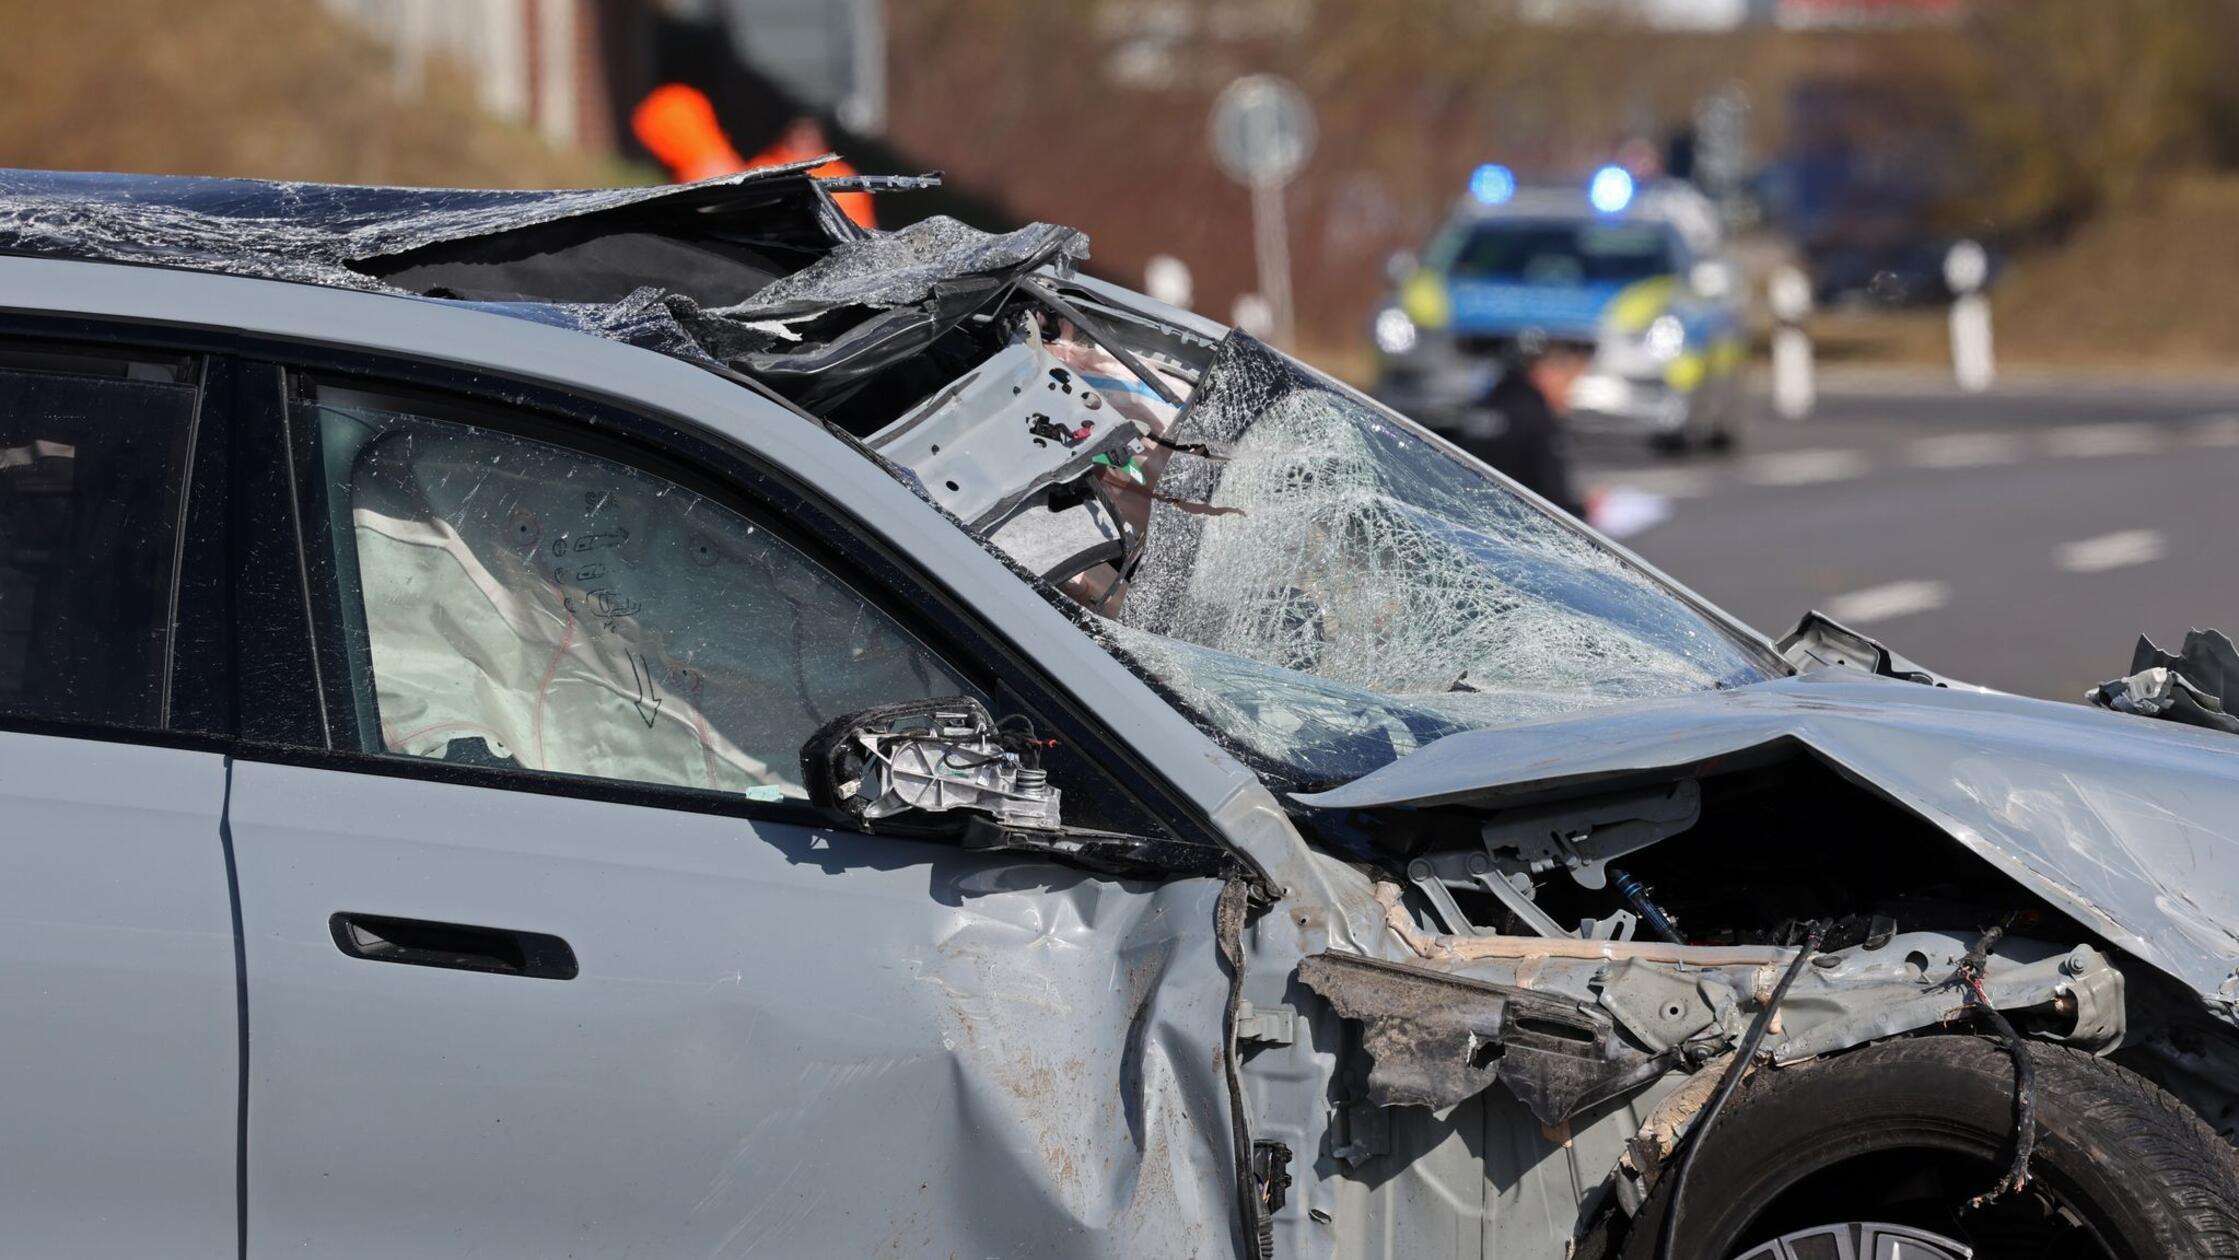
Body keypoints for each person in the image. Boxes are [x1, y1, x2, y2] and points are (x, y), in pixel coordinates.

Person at [629, 86, 877, 230]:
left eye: (809, 132)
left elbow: (865, 224)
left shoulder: (843, 175)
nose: (803, 139)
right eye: (798, 131)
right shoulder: (766, 166)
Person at [1429, 330, 1589, 518]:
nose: (1570, 389)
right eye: (1570, 378)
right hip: (1511, 526)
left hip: (1460, 516)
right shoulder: (1539, 420)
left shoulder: (1485, 404)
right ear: (1546, 371)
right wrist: (1585, 509)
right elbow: (1556, 501)